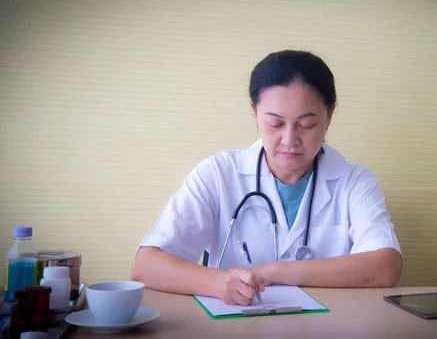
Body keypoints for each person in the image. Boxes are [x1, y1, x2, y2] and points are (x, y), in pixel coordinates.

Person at [131, 50, 403, 306]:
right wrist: (219, 282)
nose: (290, 140)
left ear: (329, 116)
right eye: (275, 123)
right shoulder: (218, 174)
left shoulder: (354, 181)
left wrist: (273, 272)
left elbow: (385, 267)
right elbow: (147, 266)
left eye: (306, 124)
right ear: (255, 114)